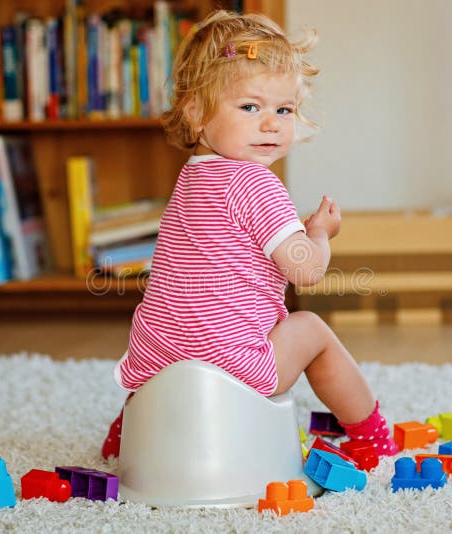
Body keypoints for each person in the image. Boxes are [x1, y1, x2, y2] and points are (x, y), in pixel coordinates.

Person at [102, 10, 398, 459]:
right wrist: (319, 234)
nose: (271, 123)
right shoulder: (258, 183)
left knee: (187, 322)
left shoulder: (190, 180)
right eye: (250, 107)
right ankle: (370, 433)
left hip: (155, 362)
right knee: (311, 329)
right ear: (197, 114)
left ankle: (133, 427)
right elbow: (306, 272)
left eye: (284, 109)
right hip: (235, 369)